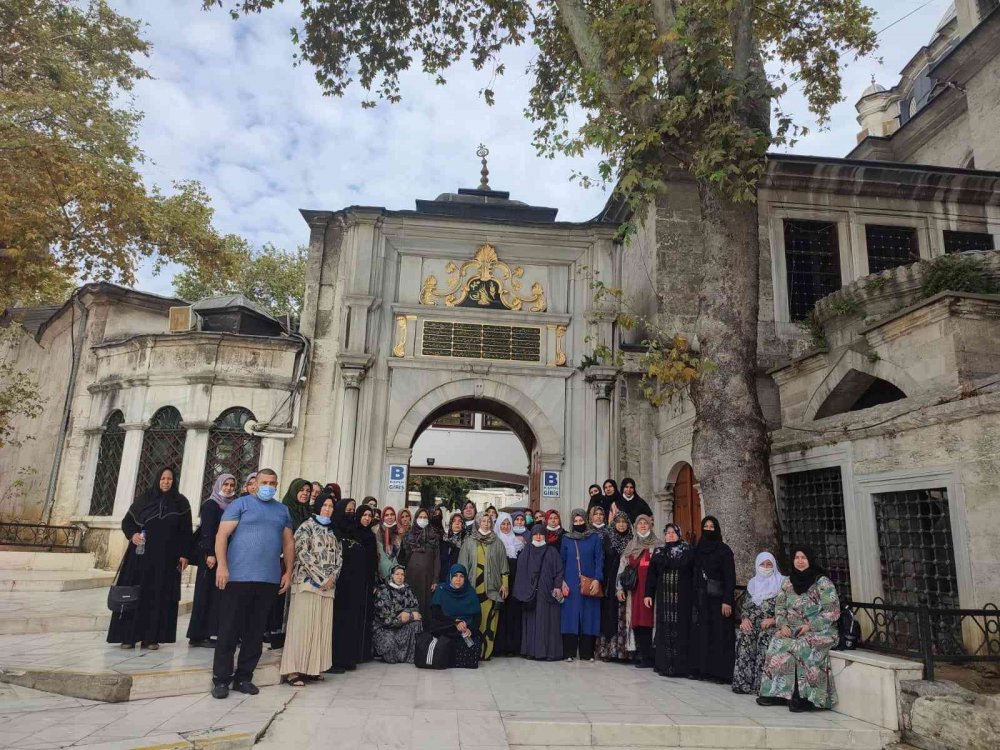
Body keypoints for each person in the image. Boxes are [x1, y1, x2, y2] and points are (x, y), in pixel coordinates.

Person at [212, 468, 293, 698]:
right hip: (237, 578)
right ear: (255, 483)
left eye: (273, 483)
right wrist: (222, 566)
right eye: (265, 482)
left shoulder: (282, 510)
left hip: (267, 579)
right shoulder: (240, 504)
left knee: (255, 633)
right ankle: (220, 679)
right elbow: (221, 536)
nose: (269, 486)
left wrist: (288, 571)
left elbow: (288, 543)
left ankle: (244, 677)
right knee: (228, 630)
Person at [108, 466, 192, 650]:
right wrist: (133, 535)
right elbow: (127, 522)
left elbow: (186, 532)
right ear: (157, 480)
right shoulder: (144, 499)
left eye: (169, 479)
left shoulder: (181, 503)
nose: (166, 482)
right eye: (162, 478)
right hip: (139, 557)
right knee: (135, 593)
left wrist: (185, 554)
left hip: (166, 559)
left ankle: (151, 637)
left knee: (158, 595)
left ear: (174, 481)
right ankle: (128, 637)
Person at [757, 547, 840, 712]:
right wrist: (783, 625)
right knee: (778, 642)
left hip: (820, 630)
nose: (800, 561)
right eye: (797, 557)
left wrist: (810, 626)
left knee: (803, 646)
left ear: (810, 560)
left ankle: (808, 698)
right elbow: (779, 607)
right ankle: (778, 694)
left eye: (804, 557)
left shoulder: (822, 582)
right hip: (793, 629)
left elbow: (832, 610)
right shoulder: (788, 582)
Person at [280, 491, 342, 686]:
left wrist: (332, 577)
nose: (328, 509)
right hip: (308, 584)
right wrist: (321, 577)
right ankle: (293, 670)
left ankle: (312, 669)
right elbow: (302, 554)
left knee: (319, 628)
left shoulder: (333, 530)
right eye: (325, 505)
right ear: (318, 506)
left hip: (327, 587)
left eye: (331, 506)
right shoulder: (306, 527)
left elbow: (339, 557)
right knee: (302, 627)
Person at [328, 499, 377, 673]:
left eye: (352, 510)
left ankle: (348, 657)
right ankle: (334, 659)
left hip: (356, 584)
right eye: (348, 510)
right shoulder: (335, 530)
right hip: (339, 583)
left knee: (351, 620)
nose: (350, 513)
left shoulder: (358, 532)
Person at [188, 473, 236, 647]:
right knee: (205, 593)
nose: (229, 488)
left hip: (224, 555)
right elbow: (207, 531)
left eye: (232, 485)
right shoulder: (211, 505)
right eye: (226, 485)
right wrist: (210, 553)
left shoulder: (232, 506)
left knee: (217, 594)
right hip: (210, 555)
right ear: (218, 486)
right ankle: (198, 634)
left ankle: (211, 631)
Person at [690, 515, 736, 683]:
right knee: (702, 634)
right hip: (701, 599)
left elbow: (730, 577)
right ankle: (702, 669)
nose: (708, 529)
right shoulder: (698, 549)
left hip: (718, 600)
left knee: (719, 634)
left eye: (711, 526)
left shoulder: (724, 550)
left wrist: (727, 601)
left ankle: (721, 673)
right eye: (706, 526)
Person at [458, 511, 509, 660]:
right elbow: (462, 565)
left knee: (490, 621)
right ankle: (473, 651)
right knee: (474, 621)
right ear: (478, 522)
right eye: (483, 521)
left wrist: (504, 584)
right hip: (473, 588)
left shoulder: (497, 542)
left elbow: (504, 566)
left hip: (492, 589)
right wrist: (462, 585)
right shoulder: (469, 541)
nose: (486, 523)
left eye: (489, 521)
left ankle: (486, 653)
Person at [644, 523, 694, 677]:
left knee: (682, 629)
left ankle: (681, 667)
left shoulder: (688, 551)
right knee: (664, 629)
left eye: (674, 532)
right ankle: (664, 666)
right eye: (668, 532)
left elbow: (693, 574)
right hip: (664, 600)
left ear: (679, 534)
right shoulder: (659, 552)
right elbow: (652, 575)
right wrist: (648, 594)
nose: (670, 535)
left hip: (683, 599)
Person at [733, 552, 785, 694]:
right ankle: (743, 684)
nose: (766, 567)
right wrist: (744, 619)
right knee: (745, 635)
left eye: (769, 564)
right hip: (753, 623)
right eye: (763, 564)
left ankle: (761, 686)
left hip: (773, 625)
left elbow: (788, 608)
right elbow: (745, 607)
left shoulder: (782, 583)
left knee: (765, 637)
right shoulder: (752, 584)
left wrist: (774, 620)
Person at [559, 508, 604, 662]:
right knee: (570, 616)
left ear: (586, 520)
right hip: (570, 581)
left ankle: (587, 653)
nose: (578, 523)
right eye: (576, 521)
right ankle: (569, 652)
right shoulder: (566, 539)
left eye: (581, 520)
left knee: (589, 616)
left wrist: (598, 579)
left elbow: (599, 559)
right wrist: (562, 581)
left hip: (590, 581)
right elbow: (562, 561)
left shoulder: (594, 538)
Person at [514, 523, 564, 661]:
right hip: (531, 594)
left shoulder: (552, 551)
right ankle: (531, 651)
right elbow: (521, 574)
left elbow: (559, 570)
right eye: (535, 534)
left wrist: (557, 586)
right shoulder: (526, 552)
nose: (538, 536)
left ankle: (549, 652)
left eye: (541, 534)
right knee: (531, 623)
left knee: (548, 623)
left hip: (548, 593)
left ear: (545, 536)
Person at [618, 513, 659, 668]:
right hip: (634, 591)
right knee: (637, 622)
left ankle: (651, 655)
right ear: (635, 527)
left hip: (652, 591)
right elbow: (622, 568)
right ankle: (641, 654)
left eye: (645, 523)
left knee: (650, 622)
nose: (643, 525)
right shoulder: (631, 545)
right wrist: (619, 588)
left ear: (650, 525)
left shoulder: (657, 545)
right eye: (640, 523)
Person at [426, 564, 482, 669]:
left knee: (472, 645)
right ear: (450, 577)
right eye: (455, 576)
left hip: (465, 628)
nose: (458, 579)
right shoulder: (442, 589)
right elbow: (436, 613)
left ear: (465, 578)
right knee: (445, 641)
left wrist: (470, 629)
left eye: (461, 576)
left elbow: (477, 617)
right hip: (446, 626)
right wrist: (455, 622)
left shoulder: (470, 592)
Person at [596, 512, 632, 661]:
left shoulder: (632, 540)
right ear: (614, 523)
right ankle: (608, 651)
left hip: (628, 584)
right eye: (619, 522)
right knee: (609, 616)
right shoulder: (607, 539)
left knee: (625, 616)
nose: (622, 524)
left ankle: (624, 652)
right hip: (609, 584)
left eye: (624, 522)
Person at [372, 564, 423, 663]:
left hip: (402, 628)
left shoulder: (407, 590)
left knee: (417, 624)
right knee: (390, 648)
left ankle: (409, 657)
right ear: (391, 575)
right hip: (385, 629)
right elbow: (387, 620)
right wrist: (410, 616)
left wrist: (406, 612)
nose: (400, 577)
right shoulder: (383, 591)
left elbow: (415, 606)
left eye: (402, 575)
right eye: (397, 574)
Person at [399, 507, 441, 618]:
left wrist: (435, 579)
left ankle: (424, 632)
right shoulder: (408, 536)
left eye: (425, 517)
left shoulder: (434, 536)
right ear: (416, 518)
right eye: (420, 517)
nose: (422, 519)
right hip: (411, 578)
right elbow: (402, 558)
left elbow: (437, 559)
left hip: (428, 579)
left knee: (425, 606)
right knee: (411, 605)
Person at [493, 512, 525, 656]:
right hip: (499, 582)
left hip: (515, 582)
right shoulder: (495, 542)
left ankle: (512, 647)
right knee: (500, 613)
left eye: (508, 524)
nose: (506, 527)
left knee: (513, 614)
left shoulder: (518, 542)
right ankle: (499, 647)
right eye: (503, 524)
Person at [355, 505, 380, 662]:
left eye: (369, 516)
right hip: (353, 580)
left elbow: (373, 560)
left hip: (368, 580)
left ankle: (364, 652)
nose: (366, 518)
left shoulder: (371, 536)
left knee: (366, 615)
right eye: (364, 515)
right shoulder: (353, 532)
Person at [377, 505, 401, 579]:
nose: (390, 517)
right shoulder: (377, 532)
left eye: (392, 514)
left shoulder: (399, 532)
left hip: (398, 573)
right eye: (386, 515)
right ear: (383, 517)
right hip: (381, 573)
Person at [440, 512, 464, 581]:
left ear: (462, 524)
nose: (457, 523)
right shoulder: (444, 539)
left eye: (460, 521)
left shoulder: (466, 540)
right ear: (451, 524)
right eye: (454, 521)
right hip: (443, 576)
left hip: (458, 577)